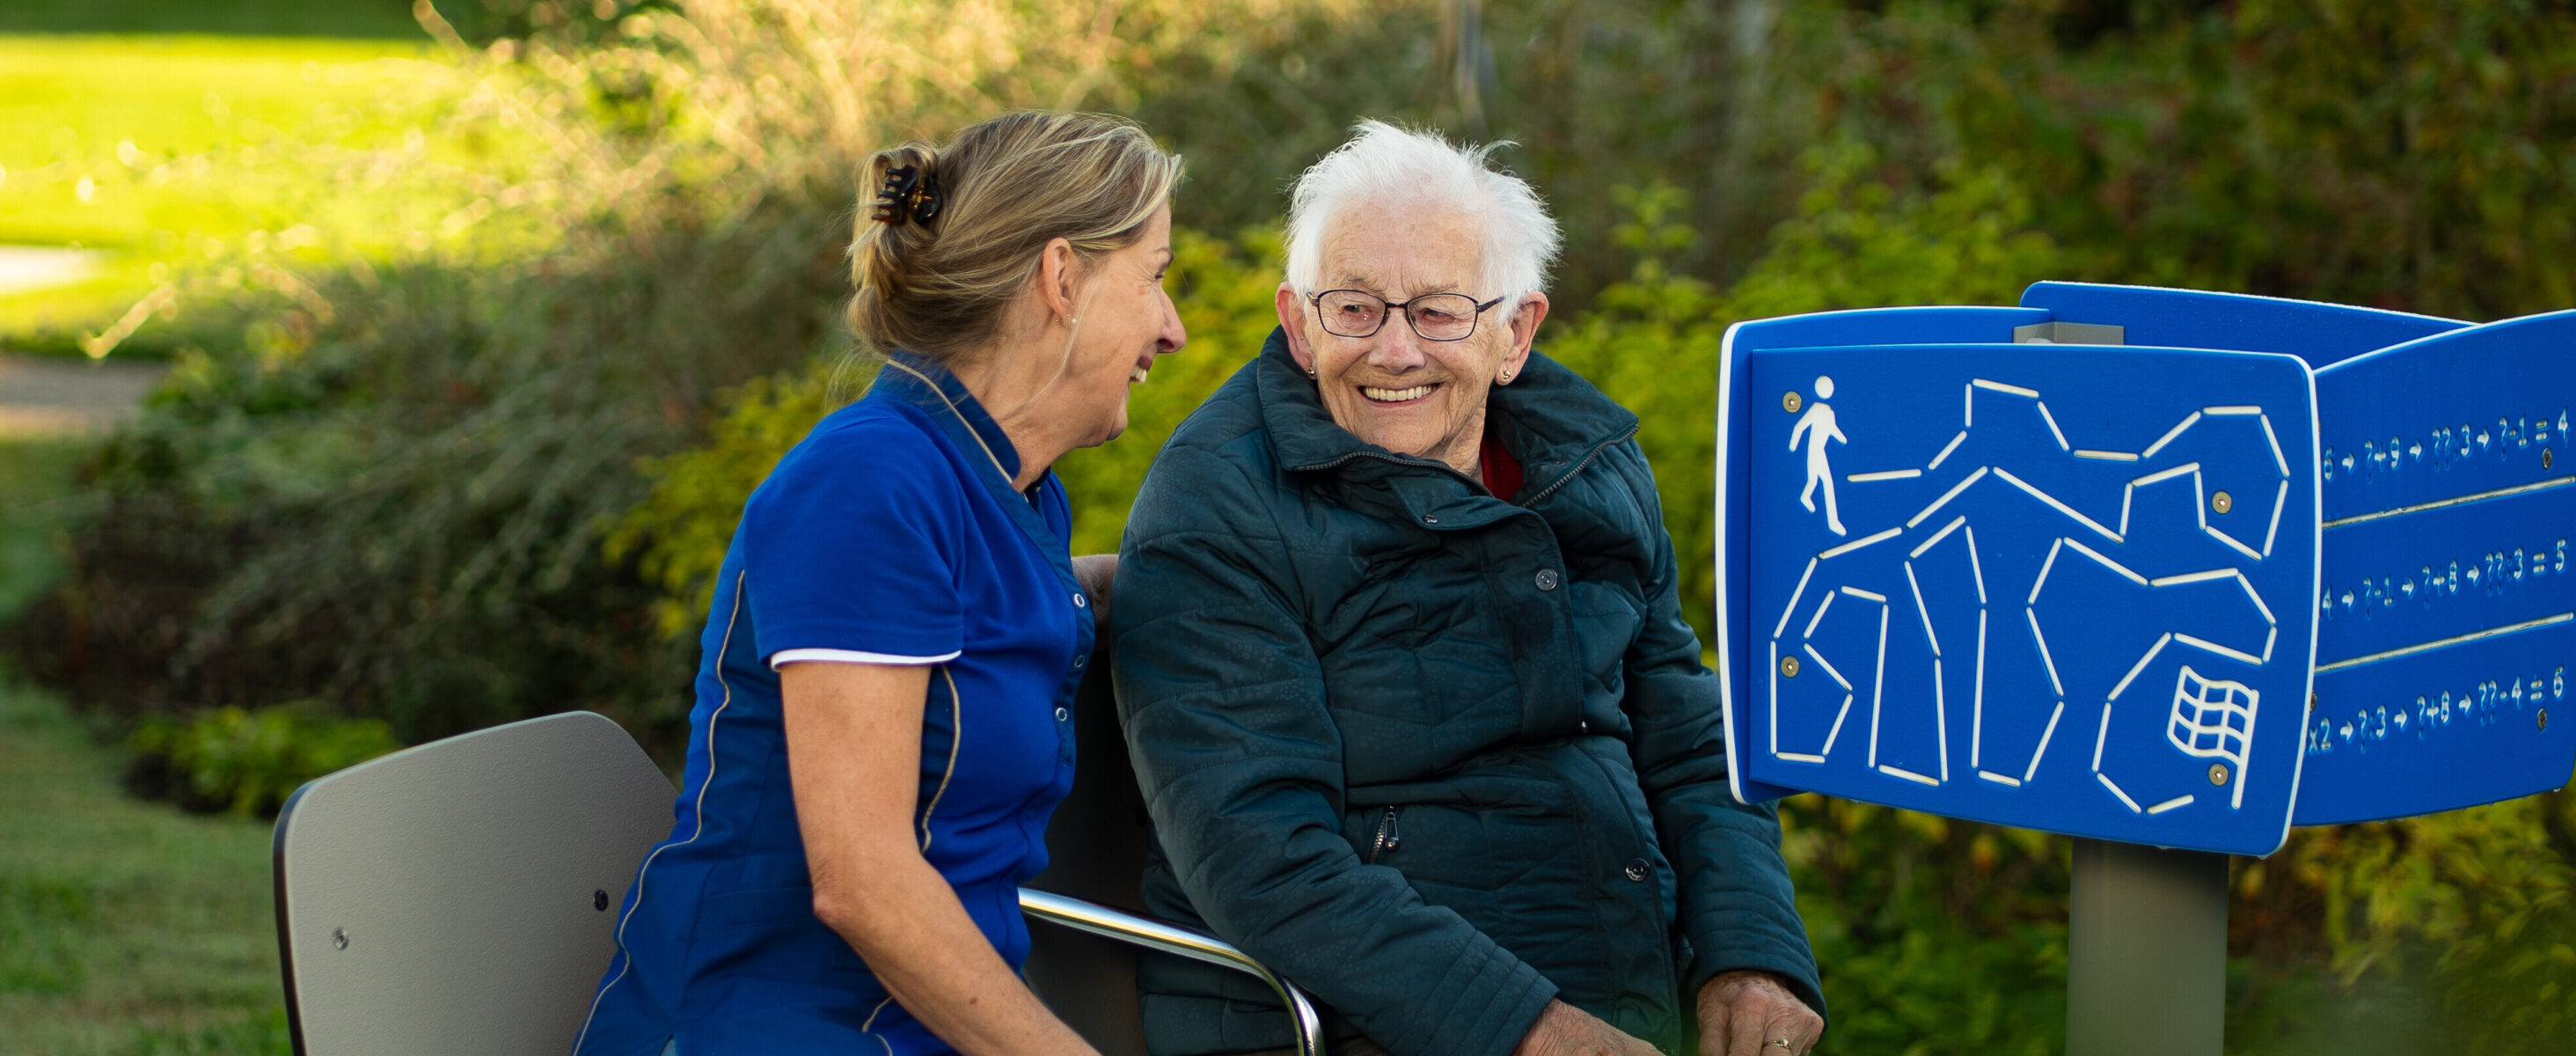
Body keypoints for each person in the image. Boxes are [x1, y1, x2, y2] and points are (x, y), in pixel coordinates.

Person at [1111, 121, 1825, 1056]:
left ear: (1515, 331)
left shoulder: (1590, 467)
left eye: (1440, 311)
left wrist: (1750, 954)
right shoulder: (1217, 506)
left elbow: (1688, 740)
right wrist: (1532, 1032)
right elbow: (1260, 856)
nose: (1395, 353)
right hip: (1328, 1022)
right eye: (1355, 308)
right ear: (1297, 323)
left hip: (1612, 994)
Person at [572, 111, 1185, 1056]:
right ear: (1062, 278)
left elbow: (995, 605)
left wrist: (1211, 585)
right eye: (1154, 278)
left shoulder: (1004, 482)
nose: (1173, 329)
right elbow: (862, 884)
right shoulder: (865, 487)